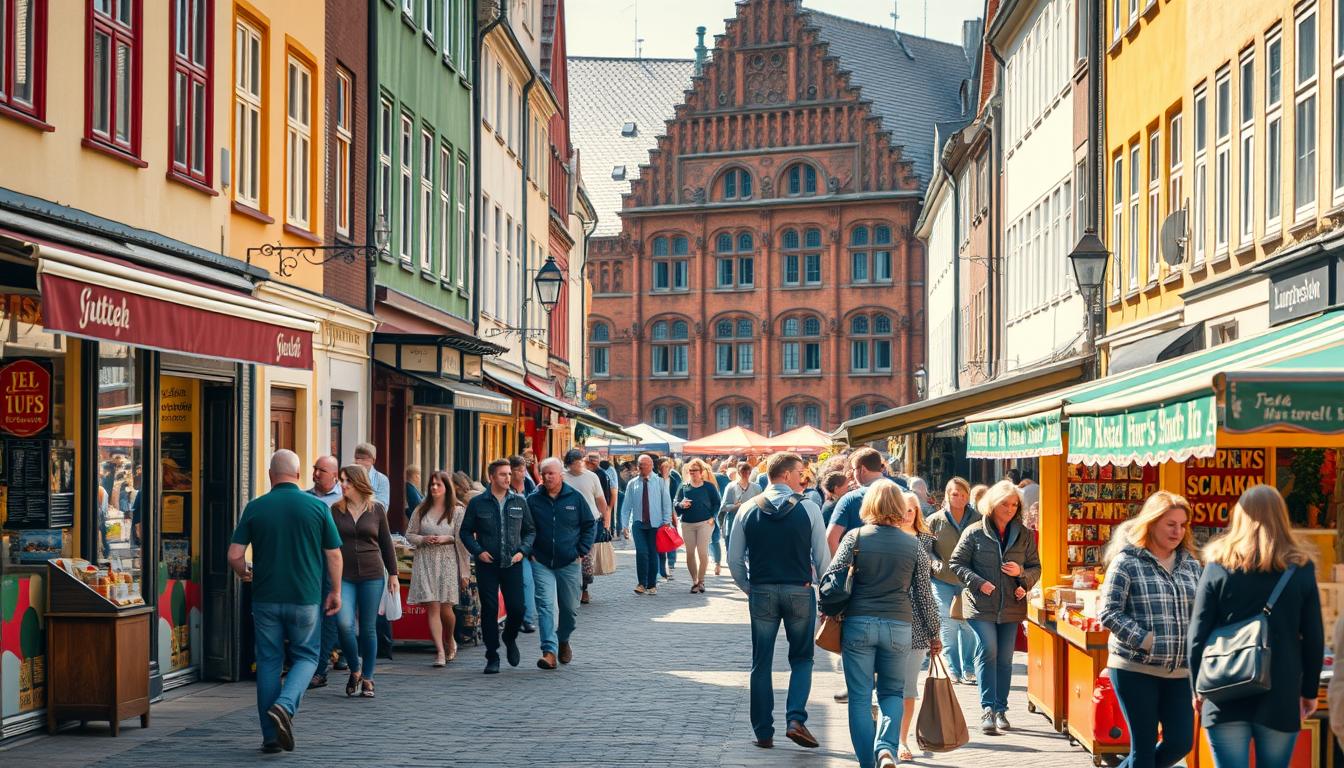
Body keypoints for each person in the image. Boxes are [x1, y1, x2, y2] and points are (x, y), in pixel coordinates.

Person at [1189, 485, 1324, 768]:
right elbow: (1313, 637)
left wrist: (1196, 688)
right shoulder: (1300, 568)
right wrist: (1309, 692)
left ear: (1239, 516)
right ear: (1282, 517)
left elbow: (1197, 634)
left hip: (1223, 685)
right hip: (1281, 689)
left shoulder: (1217, 565)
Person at [227, 450, 342, 754]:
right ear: (299, 474)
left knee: (268, 661)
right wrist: (336, 592)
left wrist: (244, 574)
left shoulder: (255, 507)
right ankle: (285, 705)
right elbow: (333, 555)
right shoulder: (317, 508)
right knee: (306, 656)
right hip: (305, 598)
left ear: (269, 475)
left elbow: (235, 555)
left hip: (265, 597)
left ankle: (270, 737)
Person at [822, 482, 939, 768]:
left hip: (859, 623)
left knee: (860, 698)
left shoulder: (855, 537)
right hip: (899, 626)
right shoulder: (913, 545)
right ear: (900, 508)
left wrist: (824, 611)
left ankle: (867, 762)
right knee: (892, 693)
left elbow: (831, 579)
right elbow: (924, 595)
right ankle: (886, 748)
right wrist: (935, 633)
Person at [728, 452, 831, 751]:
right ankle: (795, 718)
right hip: (799, 591)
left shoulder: (747, 509)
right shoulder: (809, 509)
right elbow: (822, 561)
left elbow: (735, 560)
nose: (804, 477)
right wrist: (826, 598)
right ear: (786, 475)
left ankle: (763, 731)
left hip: (762, 591)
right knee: (801, 658)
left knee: (761, 662)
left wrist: (749, 587)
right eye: (800, 471)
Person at [1097, 490, 1202, 768]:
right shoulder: (1126, 562)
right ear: (1152, 522)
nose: (1177, 531)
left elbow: (1202, 612)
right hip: (1135, 668)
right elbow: (1109, 613)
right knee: (1142, 751)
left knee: (1181, 742)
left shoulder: (1191, 565)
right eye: (1171, 524)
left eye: (1182, 525)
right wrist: (1146, 640)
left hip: (1180, 671)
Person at [950, 479, 1041, 735]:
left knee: (1005, 658)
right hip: (980, 605)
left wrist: (1023, 576)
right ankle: (987, 709)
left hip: (1012, 605)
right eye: (1005, 504)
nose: (1010, 509)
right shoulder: (974, 532)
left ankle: (1001, 709)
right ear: (992, 504)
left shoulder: (1023, 534)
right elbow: (957, 563)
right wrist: (979, 583)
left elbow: (1036, 567)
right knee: (988, 650)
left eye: (1014, 504)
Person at [460, 459, 536, 674]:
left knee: (517, 609)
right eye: (503, 474)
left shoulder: (519, 501)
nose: (507, 478)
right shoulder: (478, 503)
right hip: (488, 564)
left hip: (512, 563)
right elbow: (465, 531)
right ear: (492, 477)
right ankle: (492, 655)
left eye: (509, 474)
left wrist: (523, 551)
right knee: (490, 610)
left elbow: (530, 531)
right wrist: (478, 550)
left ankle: (509, 638)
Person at [328, 464, 397, 699]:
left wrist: (394, 575)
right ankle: (355, 669)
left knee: (368, 628)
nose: (342, 485)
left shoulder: (376, 510)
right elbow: (327, 544)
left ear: (358, 483)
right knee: (344, 624)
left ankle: (368, 678)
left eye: (347, 481)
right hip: (343, 576)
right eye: (341, 480)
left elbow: (386, 544)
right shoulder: (335, 510)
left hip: (372, 574)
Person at [527, 457, 597, 669]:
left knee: (569, 609)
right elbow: (525, 529)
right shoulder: (533, 500)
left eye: (552, 473)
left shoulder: (574, 498)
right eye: (544, 473)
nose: (547, 477)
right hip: (542, 562)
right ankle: (549, 651)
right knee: (546, 606)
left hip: (569, 562)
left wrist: (581, 551)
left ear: (561, 475)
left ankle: (563, 639)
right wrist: (530, 551)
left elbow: (589, 525)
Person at [891, 490, 941, 763]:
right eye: (902, 509)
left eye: (911, 510)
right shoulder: (881, 538)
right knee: (887, 685)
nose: (906, 515)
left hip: (917, 624)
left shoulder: (923, 540)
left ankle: (901, 739)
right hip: (887, 620)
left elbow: (925, 591)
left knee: (908, 686)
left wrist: (934, 631)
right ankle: (887, 732)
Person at [405, 470, 471, 667]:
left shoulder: (457, 510)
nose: (434, 488)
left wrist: (447, 539)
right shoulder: (420, 509)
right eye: (432, 484)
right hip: (425, 560)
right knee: (432, 606)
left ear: (447, 487)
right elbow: (409, 534)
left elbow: (462, 540)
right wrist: (423, 539)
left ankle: (449, 638)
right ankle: (440, 652)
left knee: (446, 608)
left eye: (438, 485)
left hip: (448, 560)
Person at [925, 477, 982, 685]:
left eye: (963, 494)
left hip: (969, 579)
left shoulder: (978, 519)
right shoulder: (935, 520)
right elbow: (926, 549)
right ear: (947, 495)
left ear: (969, 496)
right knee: (947, 623)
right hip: (943, 579)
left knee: (967, 624)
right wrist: (934, 562)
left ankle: (968, 667)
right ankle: (953, 667)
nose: (959, 498)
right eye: (954, 494)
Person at [305, 455, 344, 690]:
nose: (317, 473)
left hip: (332, 565)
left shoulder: (342, 500)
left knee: (329, 616)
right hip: (309, 564)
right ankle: (308, 663)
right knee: (310, 616)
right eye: (315, 468)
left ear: (334, 475)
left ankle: (320, 669)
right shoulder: (305, 498)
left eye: (322, 470)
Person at [621, 454, 674, 595]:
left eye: (645, 464)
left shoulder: (660, 482)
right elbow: (626, 506)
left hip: (656, 524)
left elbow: (667, 503)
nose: (642, 467)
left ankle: (652, 584)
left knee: (652, 553)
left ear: (651, 465)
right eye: (640, 464)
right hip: (638, 523)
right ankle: (641, 584)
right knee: (642, 552)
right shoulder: (633, 483)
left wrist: (666, 522)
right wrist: (624, 525)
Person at [563, 448, 610, 605]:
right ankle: (570, 589)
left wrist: (606, 521)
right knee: (570, 557)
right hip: (568, 524)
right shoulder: (562, 477)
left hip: (590, 524)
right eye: (573, 464)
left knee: (586, 559)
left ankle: (584, 588)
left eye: (578, 463)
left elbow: (601, 500)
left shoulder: (592, 477)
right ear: (567, 465)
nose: (576, 467)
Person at [826, 447, 892, 555]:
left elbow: (831, 540)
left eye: (853, 470)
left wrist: (841, 569)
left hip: (858, 567)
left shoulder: (850, 498)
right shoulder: (906, 494)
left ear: (862, 470)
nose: (852, 475)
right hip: (898, 567)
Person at [674, 458, 722, 593]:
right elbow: (676, 503)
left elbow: (717, 503)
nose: (692, 473)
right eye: (690, 471)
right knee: (690, 553)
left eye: (695, 471)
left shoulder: (708, 486)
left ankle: (701, 581)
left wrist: (713, 517)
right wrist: (681, 505)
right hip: (687, 524)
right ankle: (694, 581)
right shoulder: (684, 486)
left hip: (704, 523)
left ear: (701, 472)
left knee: (702, 552)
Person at [509, 456, 540, 632]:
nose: (523, 473)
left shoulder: (530, 487)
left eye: (524, 470)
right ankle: (519, 617)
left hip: (529, 544)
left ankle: (527, 618)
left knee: (529, 581)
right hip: (511, 544)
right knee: (520, 582)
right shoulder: (506, 490)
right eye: (519, 470)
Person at [719, 460, 762, 561]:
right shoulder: (731, 487)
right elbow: (724, 506)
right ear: (738, 473)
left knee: (749, 547)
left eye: (748, 472)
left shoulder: (756, 487)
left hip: (750, 521)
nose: (746, 474)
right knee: (732, 547)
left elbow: (761, 504)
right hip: (734, 520)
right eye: (743, 472)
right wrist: (735, 506)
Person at [656, 457, 681, 579]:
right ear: (659, 468)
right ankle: (661, 571)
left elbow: (673, 499)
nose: (666, 469)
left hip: (670, 512)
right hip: (656, 514)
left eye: (668, 466)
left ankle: (671, 564)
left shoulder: (674, 480)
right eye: (663, 467)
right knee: (660, 542)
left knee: (670, 538)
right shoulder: (655, 479)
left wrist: (673, 514)